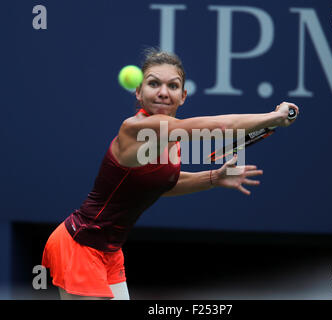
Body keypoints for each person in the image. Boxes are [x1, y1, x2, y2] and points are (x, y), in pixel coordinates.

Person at [42, 48, 299, 300]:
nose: (163, 93)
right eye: (154, 84)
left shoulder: (171, 140)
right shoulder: (136, 128)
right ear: (139, 92)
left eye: (173, 86)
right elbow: (221, 126)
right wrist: (272, 117)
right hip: (79, 245)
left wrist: (213, 178)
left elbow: (162, 183)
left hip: (109, 252)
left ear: (183, 95)